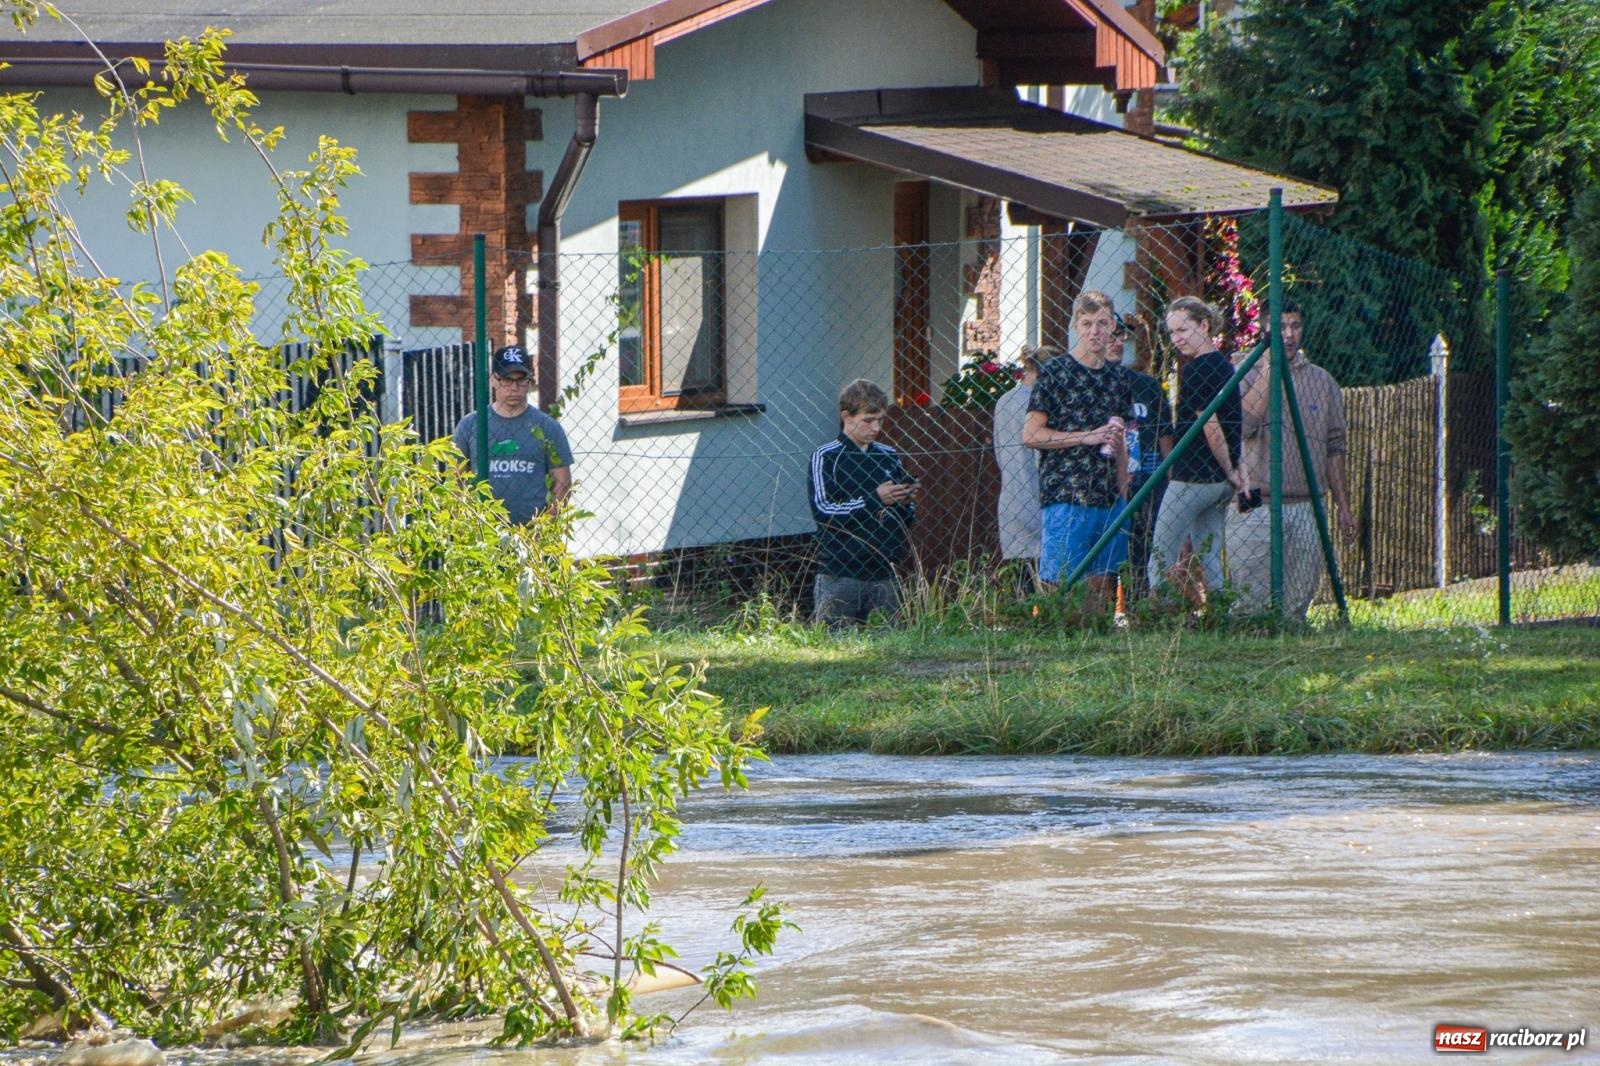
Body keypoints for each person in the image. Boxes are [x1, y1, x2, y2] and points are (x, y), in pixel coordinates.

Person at [1228, 300, 1356, 621]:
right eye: (1280, 327)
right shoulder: (1241, 372)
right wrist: (1269, 370)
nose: (1288, 334)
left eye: (1295, 326)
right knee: (1250, 603)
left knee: (1297, 603)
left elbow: (1335, 447)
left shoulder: (1322, 381)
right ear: (1264, 329)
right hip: (1256, 504)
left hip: (1306, 504)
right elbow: (1244, 426)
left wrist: (1343, 507)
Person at [1023, 291, 1131, 610]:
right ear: (1075, 326)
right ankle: (1053, 642)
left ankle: (1093, 645)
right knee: (1060, 584)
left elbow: (1121, 436)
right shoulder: (1056, 373)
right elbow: (1031, 434)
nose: (1094, 331)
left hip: (1109, 495)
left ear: (1113, 325)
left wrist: (1124, 486)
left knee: (1103, 586)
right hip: (1066, 493)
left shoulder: (1119, 378)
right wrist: (1086, 437)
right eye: (1086, 323)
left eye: (1101, 323)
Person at [1147, 296, 1246, 601]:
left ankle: (1158, 615)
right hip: (1219, 483)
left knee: (1160, 551)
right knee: (1209, 551)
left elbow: (1213, 429)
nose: (1177, 339)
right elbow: (1233, 428)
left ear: (1204, 325)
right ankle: (1219, 612)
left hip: (1194, 476)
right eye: (1172, 333)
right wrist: (1233, 474)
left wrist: (1232, 469)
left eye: (1183, 330)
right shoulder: (1224, 367)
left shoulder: (1197, 371)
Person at [808, 379, 918, 624]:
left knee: (890, 644)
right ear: (846, 416)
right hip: (841, 570)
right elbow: (824, 511)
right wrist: (875, 499)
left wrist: (904, 500)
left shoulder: (888, 455)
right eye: (868, 420)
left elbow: (907, 515)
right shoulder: (826, 456)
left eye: (880, 420)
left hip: (884, 570)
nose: (876, 427)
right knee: (834, 643)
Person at [452, 344, 573, 523]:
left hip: (532, 536)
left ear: (529, 382)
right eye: (507, 380)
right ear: (493, 380)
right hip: (481, 536)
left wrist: (541, 531)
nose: (514, 388)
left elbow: (563, 484)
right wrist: (465, 526)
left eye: (521, 380)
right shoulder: (470, 425)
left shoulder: (547, 427)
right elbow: (455, 481)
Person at [1110, 312, 1173, 598]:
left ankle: (1141, 613)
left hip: (1147, 484)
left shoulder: (1146, 386)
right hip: (1106, 488)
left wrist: (1169, 482)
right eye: (1112, 334)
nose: (1117, 341)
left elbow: (1165, 437)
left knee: (1143, 557)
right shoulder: (1087, 386)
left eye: (1121, 335)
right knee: (1106, 558)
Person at [992, 346, 1054, 594]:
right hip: (1040, 496)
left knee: (1022, 580)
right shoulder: (1040, 403)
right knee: (1049, 578)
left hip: (1011, 497)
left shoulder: (1004, 401)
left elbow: (999, 451)